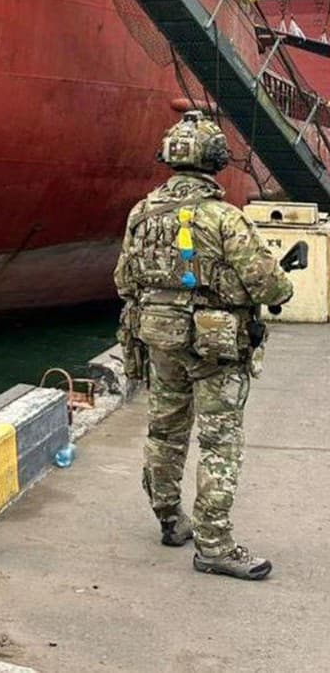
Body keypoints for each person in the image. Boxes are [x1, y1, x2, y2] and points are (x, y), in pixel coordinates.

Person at [115, 110, 293, 580]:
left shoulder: (142, 213)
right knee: (218, 442)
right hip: (216, 348)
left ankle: (170, 519)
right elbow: (271, 286)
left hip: (159, 338)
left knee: (165, 431)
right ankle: (214, 545)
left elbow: (123, 280)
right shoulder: (224, 218)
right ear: (216, 161)